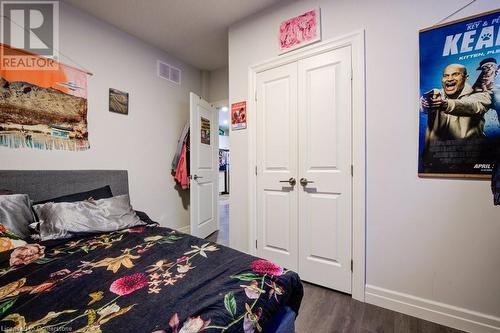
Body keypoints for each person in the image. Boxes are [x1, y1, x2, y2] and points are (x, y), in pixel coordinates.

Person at [421, 63, 492, 141]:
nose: (449, 79)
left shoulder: (481, 95)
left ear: (466, 77)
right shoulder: (435, 94)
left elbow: (473, 106)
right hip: (435, 152)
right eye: (446, 76)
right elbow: (422, 107)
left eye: (455, 74)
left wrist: (447, 105)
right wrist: (425, 103)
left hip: (468, 151)